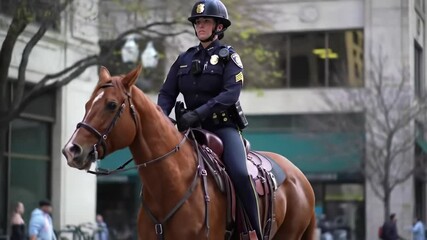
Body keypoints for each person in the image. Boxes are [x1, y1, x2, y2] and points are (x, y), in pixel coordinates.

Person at [157, 0, 262, 238]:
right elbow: (167, 93)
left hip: (222, 128)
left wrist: (200, 112)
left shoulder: (229, 58)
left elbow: (230, 94)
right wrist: (162, 119)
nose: (200, 25)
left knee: (240, 173)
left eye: (206, 21)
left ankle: (253, 231)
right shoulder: (183, 58)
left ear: (218, 27)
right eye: (198, 22)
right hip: (189, 130)